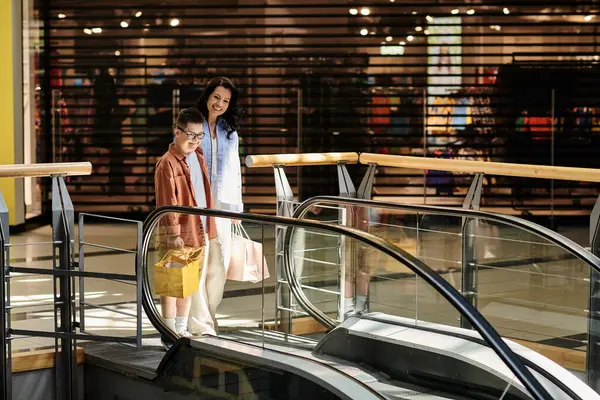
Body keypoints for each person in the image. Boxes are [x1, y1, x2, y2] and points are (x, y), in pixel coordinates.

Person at [154, 108, 217, 341]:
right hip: (178, 232)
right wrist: (172, 232)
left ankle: (181, 328)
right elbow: (166, 201)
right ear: (177, 132)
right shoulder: (167, 163)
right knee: (172, 283)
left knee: (188, 283)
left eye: (199, 135)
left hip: (197, 228)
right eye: (190, 134)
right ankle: (167, 331)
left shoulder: (198, 157)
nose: (195, 140)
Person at [194, 77, 244, 330]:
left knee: (219, 262)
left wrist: (237, 207)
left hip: (222, 204)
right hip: (197, 203)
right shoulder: (193, 123)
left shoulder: (229, 131)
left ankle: (210, 315)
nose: (220, 104)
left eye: (225, 100)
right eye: (216, 97)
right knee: (198, 262)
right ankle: (198, 321)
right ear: (207, 96)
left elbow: (235, 169)